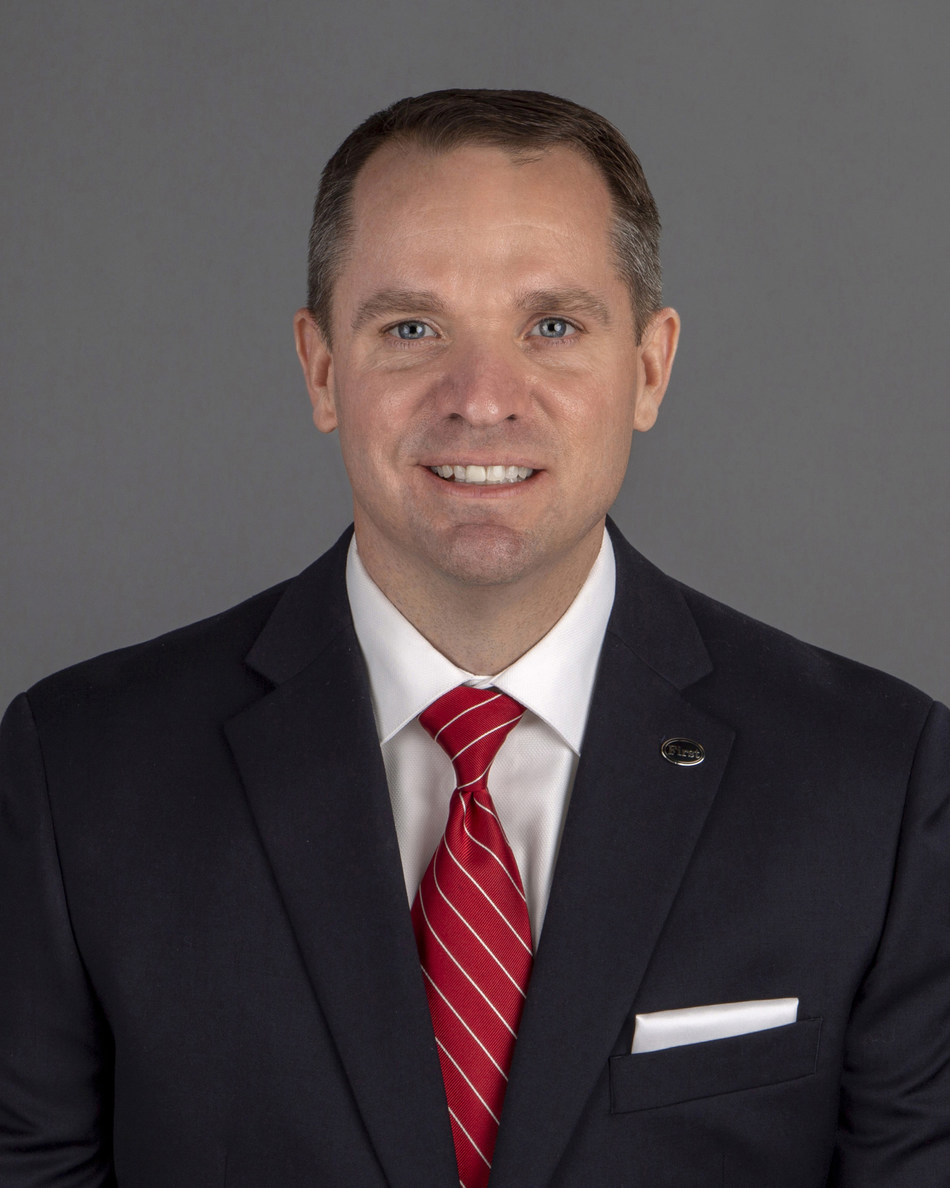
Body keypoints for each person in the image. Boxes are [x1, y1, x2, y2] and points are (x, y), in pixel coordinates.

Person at [1, 89, 948, 1188]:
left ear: (648, 369)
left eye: (552, 327)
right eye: (412, 328)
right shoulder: (81, 772)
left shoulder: (877, 782)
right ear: (321, 368)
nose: (483, 398)